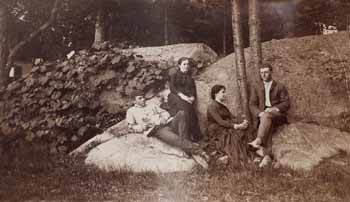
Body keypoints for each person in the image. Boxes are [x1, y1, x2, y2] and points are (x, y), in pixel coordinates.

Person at [126, 91, 208, 169]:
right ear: (134, 101)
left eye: (143, 97)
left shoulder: (151, 105)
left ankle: (186, 146)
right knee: (175, 139)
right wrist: (143, 126)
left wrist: (163, 118)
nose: (143, 99)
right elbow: (131, 126)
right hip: (158, 130)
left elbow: (165, 113)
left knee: (181, 113)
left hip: (168, 123)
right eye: (140, 98)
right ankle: (199, 150)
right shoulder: (131, 111)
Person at [248, 63, 290, 167]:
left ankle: (258, 141)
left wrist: (273, 108)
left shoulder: (280, 86)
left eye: (266, 72)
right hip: (263, 116)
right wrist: (259, 113)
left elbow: (286, 103)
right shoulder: (257, 87)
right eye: (261, 73)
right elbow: (252, 104)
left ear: (271, 72)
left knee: (267, 116)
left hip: (278, 115)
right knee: (267, 123)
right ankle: (268, 156)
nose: (264, 75)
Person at [207, 85, 249, 168]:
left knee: (243, 130)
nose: (224, 94)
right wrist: (237, 126)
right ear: (216, 94)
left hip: (225, 127)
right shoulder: (212, 107)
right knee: (233, 136)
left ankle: (248, 155)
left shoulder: (223, 107)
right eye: (222, 92)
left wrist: (243, 121)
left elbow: (232, 117)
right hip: (216, 130)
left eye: (224, 92)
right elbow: (220, 122)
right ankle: (238, 160)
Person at [168, 57, 203, 142]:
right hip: (175, 97)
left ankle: (196, 137)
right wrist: (182, 96)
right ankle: (186, 138)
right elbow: (172, 88)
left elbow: (193, 89)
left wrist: (192, 97)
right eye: (184, 64)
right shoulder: (174, 76)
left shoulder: (190, 78)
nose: (186, 66)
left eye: (188, 64)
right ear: (179, 65)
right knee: (185, 110)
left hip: (186, 99)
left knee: (192, 113)